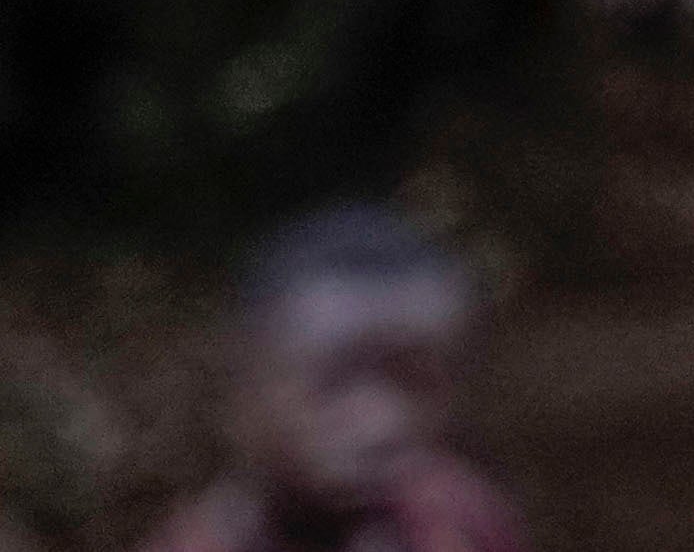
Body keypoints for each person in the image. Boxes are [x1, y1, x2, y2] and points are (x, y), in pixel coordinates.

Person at [138, 210, 520, 552]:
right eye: (338, 380)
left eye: (416, 379)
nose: (385, 419)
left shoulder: (456, 515)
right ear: (248, 380)